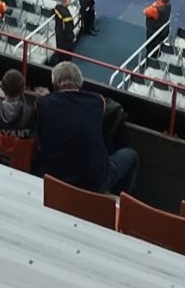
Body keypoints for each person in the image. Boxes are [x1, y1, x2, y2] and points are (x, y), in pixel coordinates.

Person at [32, 61, 137, 194]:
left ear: (54, 84)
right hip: (94, 183)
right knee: (131, 155)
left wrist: (48, 96)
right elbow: (113, 108)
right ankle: (115, 200)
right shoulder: (97, 101)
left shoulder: (42, 104)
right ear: (80, 83)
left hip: (52, 179)